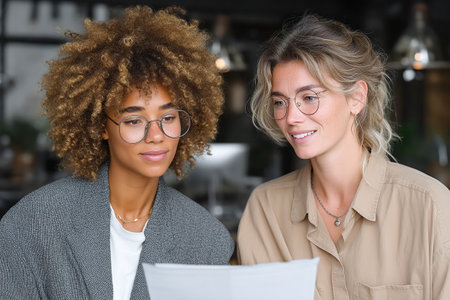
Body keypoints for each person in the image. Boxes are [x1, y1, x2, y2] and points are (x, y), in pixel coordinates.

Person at [0, 6, 234, 299]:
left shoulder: (206, 239)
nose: (157, 136)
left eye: (169, 117)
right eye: (135, 120)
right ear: (101, 126)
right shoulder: (34, 222)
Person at [237, 14, 450, 300]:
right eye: (280, 102)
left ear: (356, 98)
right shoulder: (266, 210)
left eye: (309, 98)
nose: (291, 117)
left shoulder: (429, 206)